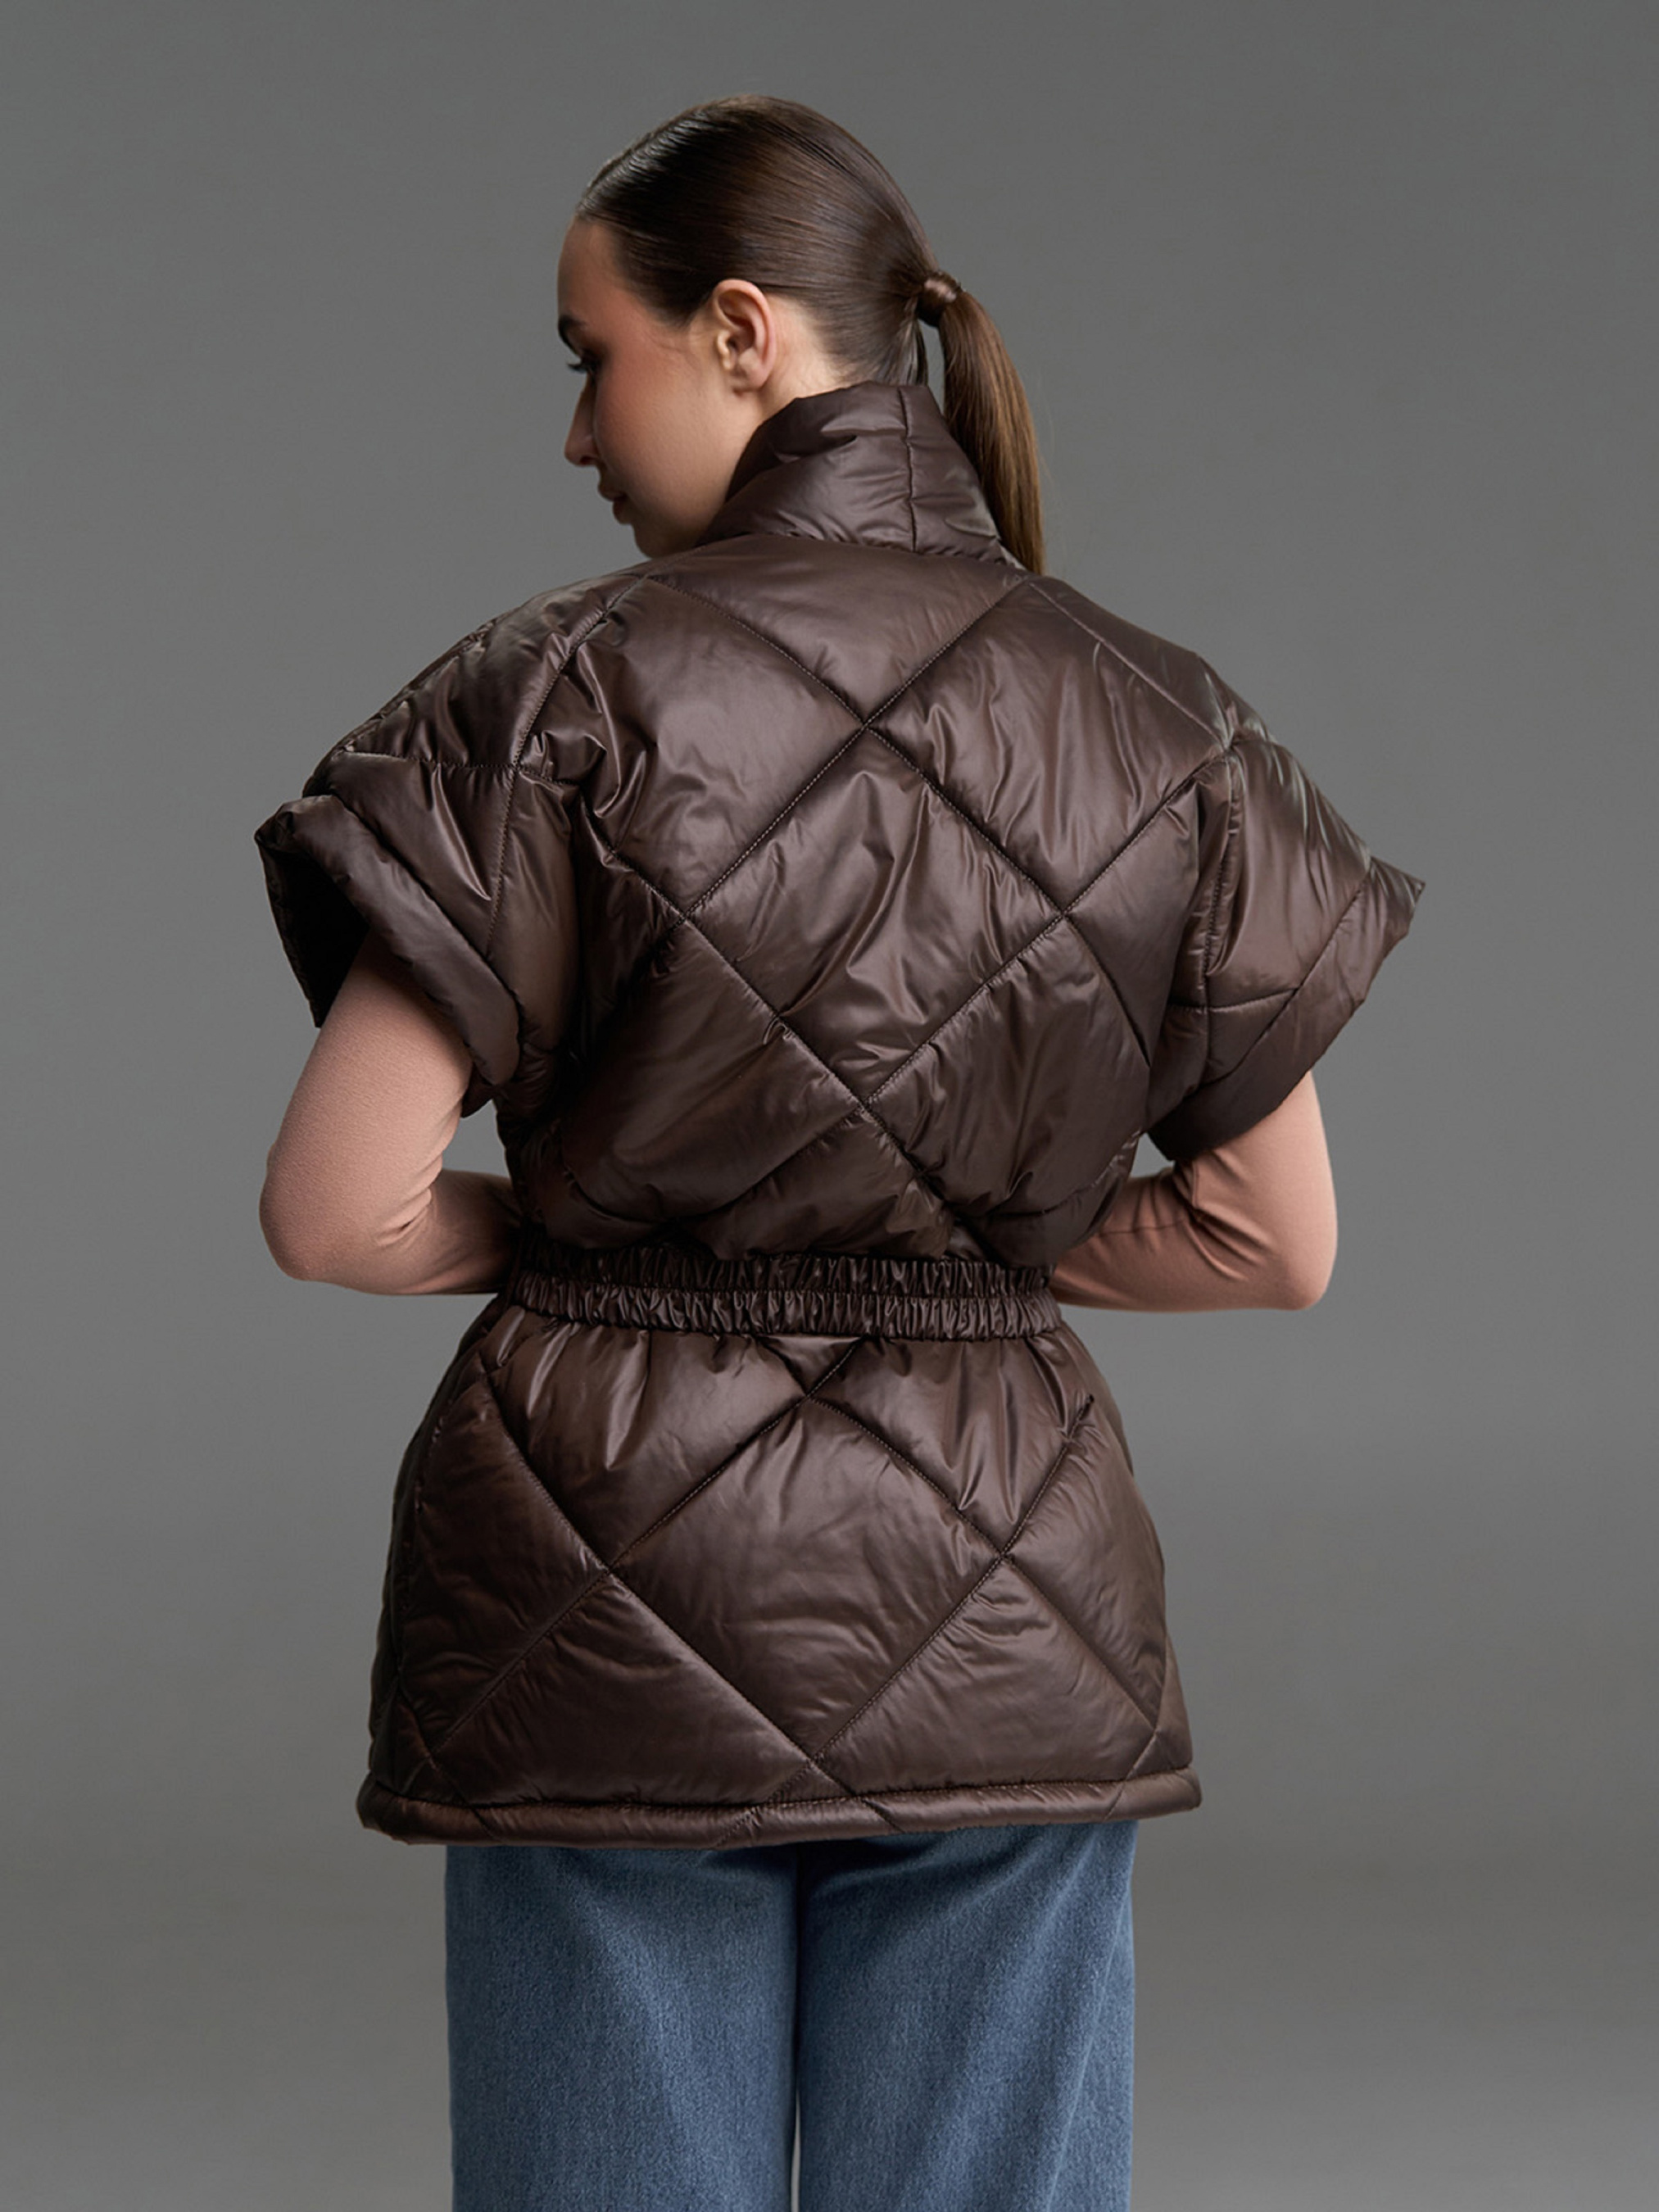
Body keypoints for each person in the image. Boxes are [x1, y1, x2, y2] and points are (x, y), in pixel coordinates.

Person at [254, 94, 1422, 2212]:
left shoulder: (551, 696)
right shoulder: (1159, 721)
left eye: (588, 356)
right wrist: (955, 1251)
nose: (576, 432)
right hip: (1006, 1621)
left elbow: (336, 1212)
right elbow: (1277, 1241)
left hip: (606, 1624)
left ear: (735, 331)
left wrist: (615, 1236)